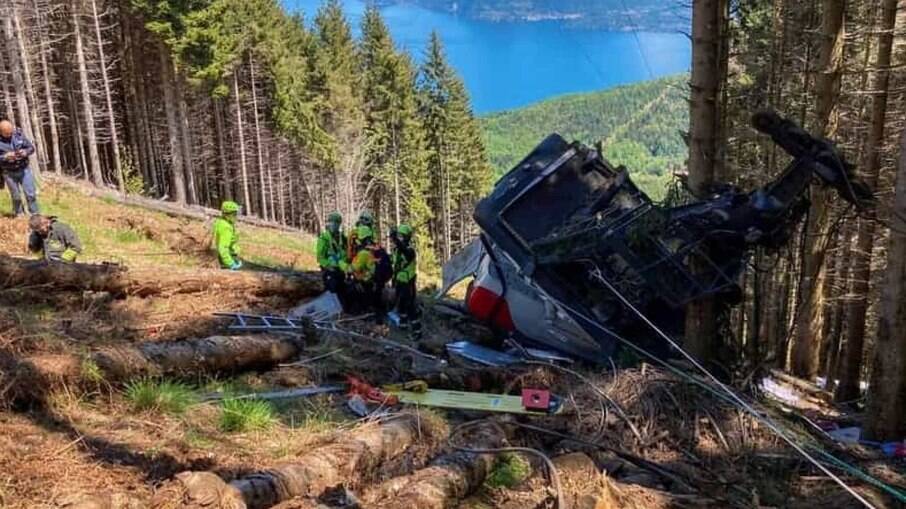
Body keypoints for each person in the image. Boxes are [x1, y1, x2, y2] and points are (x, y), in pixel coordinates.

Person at [0, 120, 39, 216]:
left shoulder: (19, 135)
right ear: (1, 132)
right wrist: (5, 157)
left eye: (10, 132)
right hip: (8, 172)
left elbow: (31, 148)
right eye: (7, 133)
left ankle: (34, 214)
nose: (9, 134)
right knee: (16, 196)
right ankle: (19, 214)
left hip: (24, 169)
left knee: (30, 194)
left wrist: (25, 152)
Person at [348, 225, 388, 318]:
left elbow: (353, 268)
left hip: (366, 283)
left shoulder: (363, 254)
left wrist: (341, 263)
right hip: (372, 281)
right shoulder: (372, 250)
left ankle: (364, 312)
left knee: (351, 290)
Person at [390, 224, 421, 338]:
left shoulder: (410, 250)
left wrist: (396, 240)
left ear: (407, 237)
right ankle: (403, 326)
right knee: (401, 305)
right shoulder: (396, 250)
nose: (400, 238)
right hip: (399, 281)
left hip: (408, 282)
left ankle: (417, 332)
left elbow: (405, 253)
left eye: (402, 236)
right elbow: (395, 264)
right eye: (399, 236)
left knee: (410, 306)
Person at [316, 211, 348, 302]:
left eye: (337, 222)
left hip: (341, 271)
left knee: (342, 294)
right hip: (330, 271)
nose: (334, 224)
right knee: (331, 293)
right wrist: (328, 266)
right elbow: (320, 257)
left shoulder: (342, 237)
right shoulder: (324, 238)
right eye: (332, 222)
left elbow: (346, 253)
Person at [213, 200, 242, 270]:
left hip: (228, 257)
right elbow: (222, 248)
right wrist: (230, 263)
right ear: (228, 215)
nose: (236, 217)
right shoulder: (226, 227)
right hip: (229, 258)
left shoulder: (223, 222)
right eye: (234, 214)